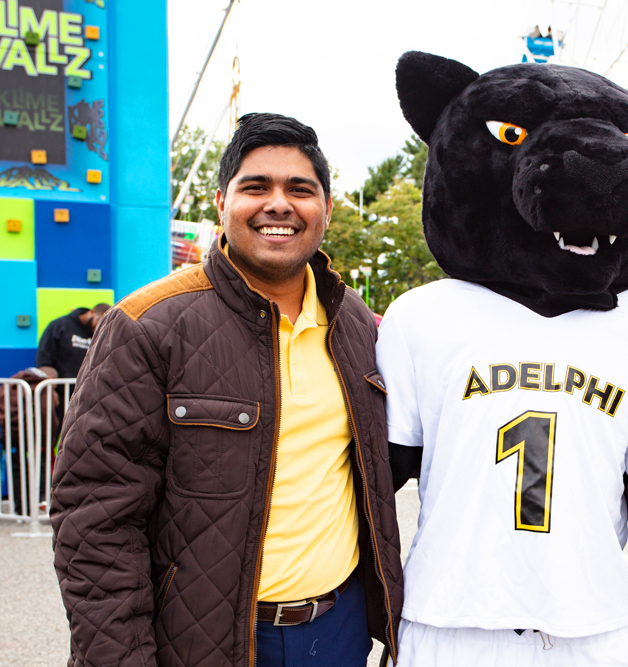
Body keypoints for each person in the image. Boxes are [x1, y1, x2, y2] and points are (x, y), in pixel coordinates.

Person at [50, 113, 403, 667]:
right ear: (221, 202)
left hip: (339, 631)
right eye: (256, 187)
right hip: (202, 642)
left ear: (327, 211)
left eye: (301, 189)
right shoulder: (147, 324)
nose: (279, 204)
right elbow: (94, 521)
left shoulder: (354, 322)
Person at [36, 304, 110, 380]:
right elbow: (44, 358)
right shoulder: (59, 326)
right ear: (92, 312)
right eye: (99, 322)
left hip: (88, 389)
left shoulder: (100, 335)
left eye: (103, 326)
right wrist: (50, 383)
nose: (99, 328)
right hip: (62, 388)